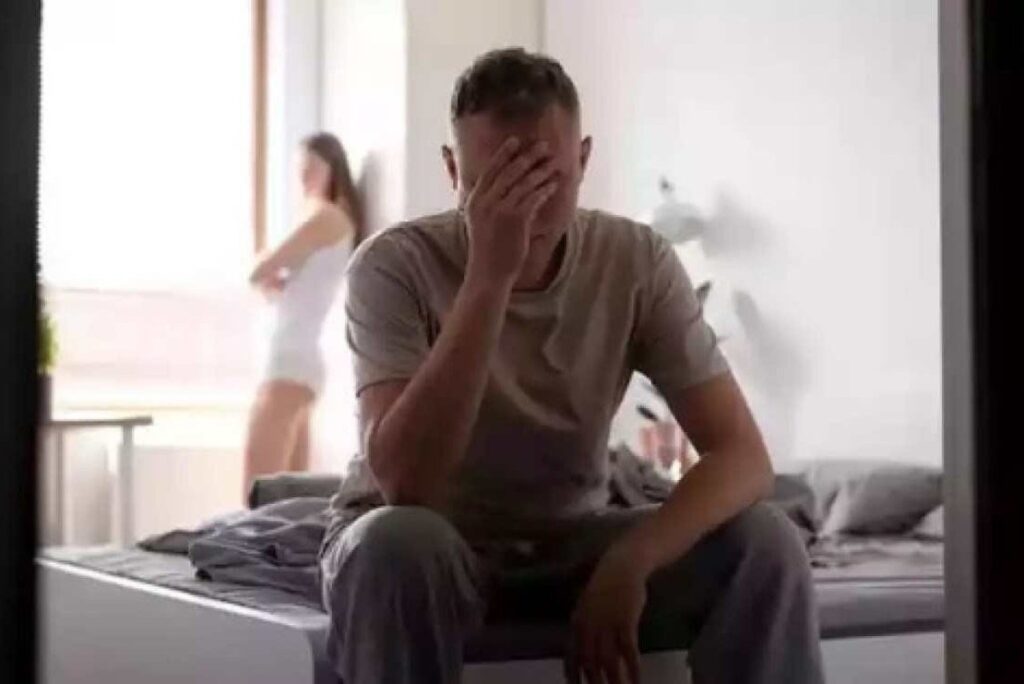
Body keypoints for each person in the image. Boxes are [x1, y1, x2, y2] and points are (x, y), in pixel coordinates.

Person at [320, 49, 824, 684]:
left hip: (573, 538)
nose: (525, 208)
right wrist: (490, 278)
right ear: (452, 170)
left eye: (547, 179)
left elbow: (743, 458)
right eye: (497, 183)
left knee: (766, 542)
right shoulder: (392, 266)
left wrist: (630, 563)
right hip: (432, 542)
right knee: (395, 545)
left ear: (583, 161)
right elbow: (406, 485)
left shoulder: (636, 260)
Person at [244, 132, 359, 496]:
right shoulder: (334, 222)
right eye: (300, 170)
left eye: (311, 168)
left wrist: (269, 273)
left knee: (257, 490)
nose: (304, 177)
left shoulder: (324, 216)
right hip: (300, 362)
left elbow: (258, 271)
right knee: (289, 499)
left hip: (289, 361)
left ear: (332, 169)